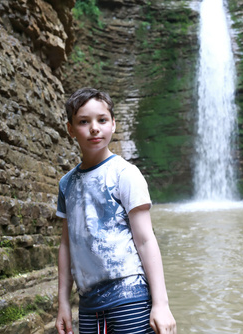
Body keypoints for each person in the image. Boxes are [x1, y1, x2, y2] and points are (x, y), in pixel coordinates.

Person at [55, 87, 176, 334]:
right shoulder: (66, 183)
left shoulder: (126, 174)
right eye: (83, 122)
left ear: (113, 124)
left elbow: (145, 239)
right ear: (70, 130)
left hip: (130, 297)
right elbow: (67, 245)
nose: (94, 128)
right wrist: (63, 304)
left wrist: (161, 304)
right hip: (88, 305)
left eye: (102, 120)